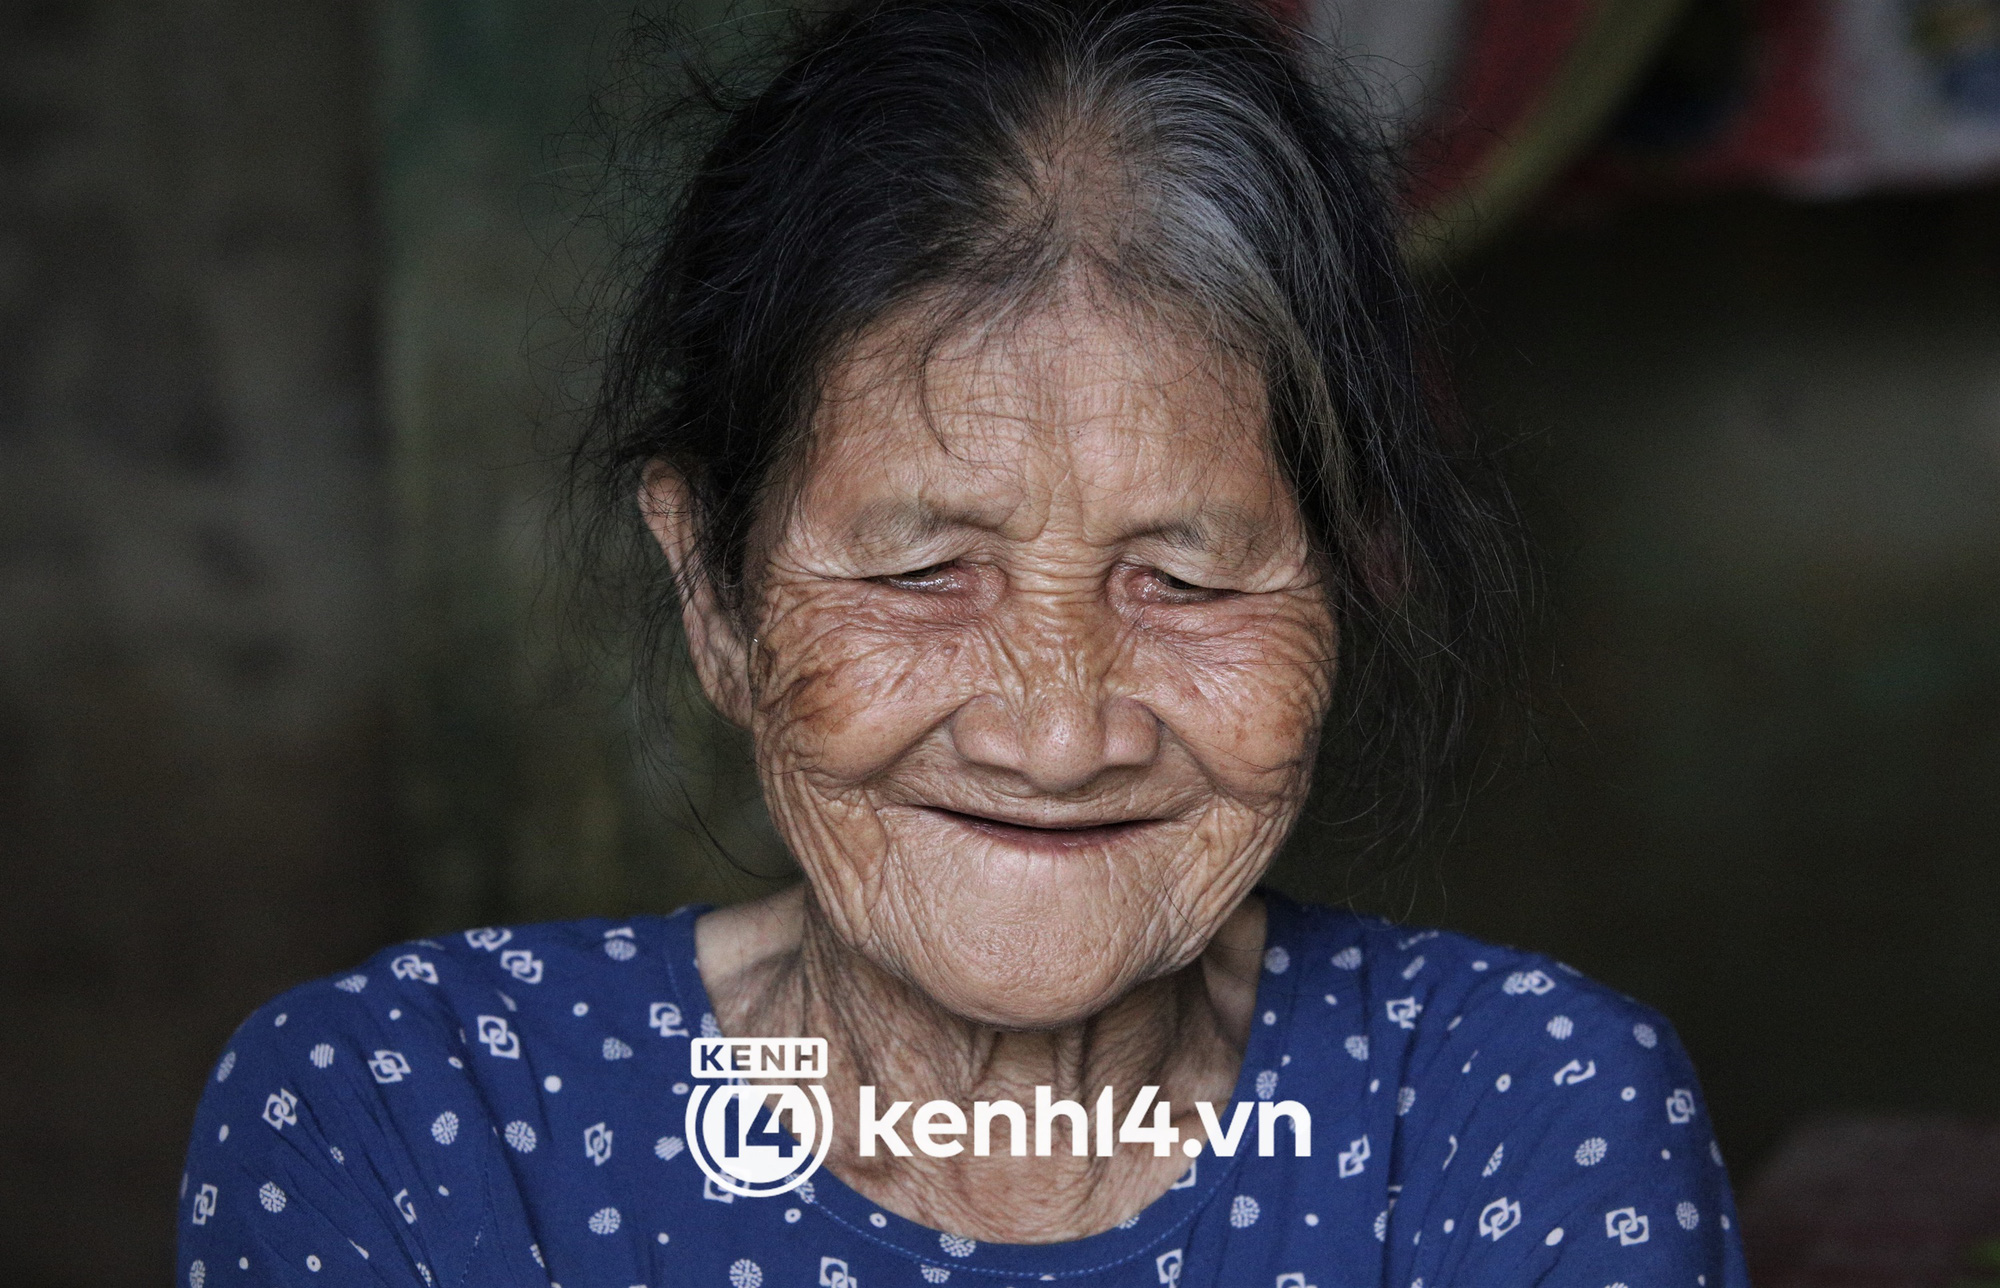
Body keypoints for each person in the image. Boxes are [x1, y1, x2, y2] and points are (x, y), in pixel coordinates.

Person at [178, 0, 1751, 1283]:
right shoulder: (413, 1118)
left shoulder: (1525, 1122)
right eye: (928, 571)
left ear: (1346, 584)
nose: (1058, 734)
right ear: (714, 596)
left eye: (1187, 582)